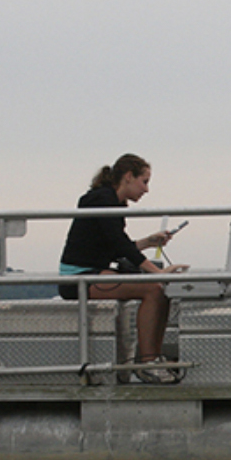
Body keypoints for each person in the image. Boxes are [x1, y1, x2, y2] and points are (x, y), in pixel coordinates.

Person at [58, 153, 187, 384]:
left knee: (159, 289)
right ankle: (147, 363)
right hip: (78, 278)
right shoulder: (102, 200)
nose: (146, 189)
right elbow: (118, 243)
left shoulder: (112, 202)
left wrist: (148, 242)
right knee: (153, 289)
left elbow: (114, 247)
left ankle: (153, 359)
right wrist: (155, 271)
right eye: (144, 181)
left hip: (92, 271)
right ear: (128, 177)